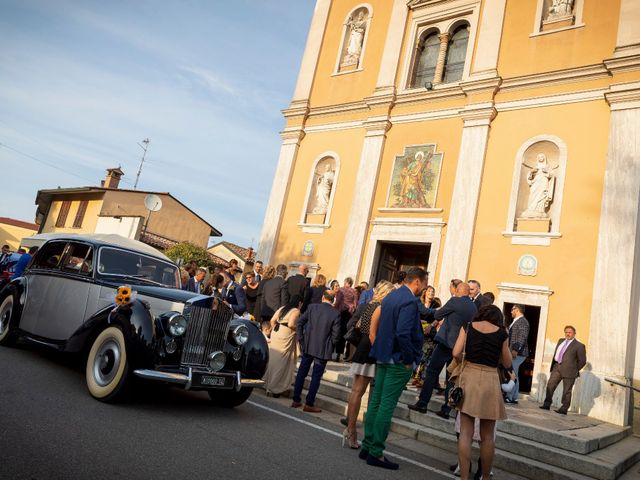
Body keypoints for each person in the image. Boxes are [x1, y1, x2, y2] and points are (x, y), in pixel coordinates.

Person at [359, 267, 427, 470]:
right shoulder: (409, 300)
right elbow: (403, 332)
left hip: (382, 354)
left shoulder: (391, 296)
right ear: (417, 282)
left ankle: (367, 445)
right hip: (398, 359)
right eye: (423, 284)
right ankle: (376, 452)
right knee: (386, 405)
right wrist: (408, 359)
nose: (424, 288)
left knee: (376, 401)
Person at [452, 305, 512, 480]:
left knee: (465, 433)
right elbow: (507, 363)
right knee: (487, 437)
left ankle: (464, 477)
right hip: (490, 380)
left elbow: (456, 352)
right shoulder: (502, 333)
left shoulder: (468, 326)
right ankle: (485, 477)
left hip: (469, 376)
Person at [409, 282, 477, 418]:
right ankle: (446, 409)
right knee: (451, 378)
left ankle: (422, 403)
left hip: (446, 343)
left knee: (432, 371)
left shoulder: (454, 301)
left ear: (458, 291)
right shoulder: (474, 307)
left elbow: (438, 314)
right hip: (460, 346)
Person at [343, 280, 395, 449]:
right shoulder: (381, 308)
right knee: (360, 392)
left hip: (362, 348)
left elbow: (357, 326)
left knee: (355, 391)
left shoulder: (367, 305)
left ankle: (350, 430)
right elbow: (374, 334)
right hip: (370, 351)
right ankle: (351, 431)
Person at [291, 290, 341, 413]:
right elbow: (336, 335)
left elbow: (300, 323)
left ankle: (296, 399)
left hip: (308, 345)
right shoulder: (335, 313)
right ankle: (309, 403)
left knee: (302, 372)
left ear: (323, 297)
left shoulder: (312, 307)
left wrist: (302, 339)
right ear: (333, 299)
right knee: (315, 377)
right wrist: (331, 344)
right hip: (323, 348)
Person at [539, 325, 587, 415]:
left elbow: (582, 361)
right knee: (550, 385)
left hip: (570, 371)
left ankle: (564, 409)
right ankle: (547, 404)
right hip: (557, 367)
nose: (567, 334)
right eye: (566, 332)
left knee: (567, 391)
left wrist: (575, 369)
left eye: (570, 332)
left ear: (574, 333)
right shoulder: (560, 341)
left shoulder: (579, 345)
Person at [264, 295, 303, 398]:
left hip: (277, 332)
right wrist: (298, 330)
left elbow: (272, 320)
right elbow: (291, 324)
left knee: (273, 359)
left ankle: (267, 384)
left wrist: (275, 330)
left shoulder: (282, 308)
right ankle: (274, 388)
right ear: (299, 303)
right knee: (282, 362)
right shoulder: (296, 311)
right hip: (286, 334)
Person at [505, 304, 530, 404]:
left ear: (517, 310)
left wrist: (515, 349)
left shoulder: (523, 321)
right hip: (513, 351)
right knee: (515, 374)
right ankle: (514, 397)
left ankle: (510, 396)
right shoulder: (516, 321)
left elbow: (522, 337)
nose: (511, 311)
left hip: (518, 353)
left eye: (512, 309)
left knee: (513, 374)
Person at [334, 277, 358, 362]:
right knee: (343, 333)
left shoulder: (340, 290)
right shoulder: (354, 291)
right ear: (351, 283)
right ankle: (339, 354)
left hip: (338, 312)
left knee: (336, 331)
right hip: (348, 314)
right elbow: (355, 304)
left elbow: (336, 301)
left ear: (345, 282)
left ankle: (332, 352)